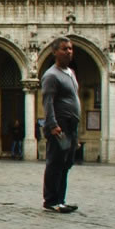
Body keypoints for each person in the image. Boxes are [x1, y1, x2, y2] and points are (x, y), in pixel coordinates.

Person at [40, 36, 82, 213]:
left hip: (71, 126)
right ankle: (51, 201)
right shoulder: (51, 75)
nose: (69, 52)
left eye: (71, 48)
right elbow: (47, 102)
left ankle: (61, 199)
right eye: (65, 49)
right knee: (55, 162)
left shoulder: (70, 73)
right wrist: (52, 125)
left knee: (66, 163)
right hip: (60, 125)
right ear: (55, 52)